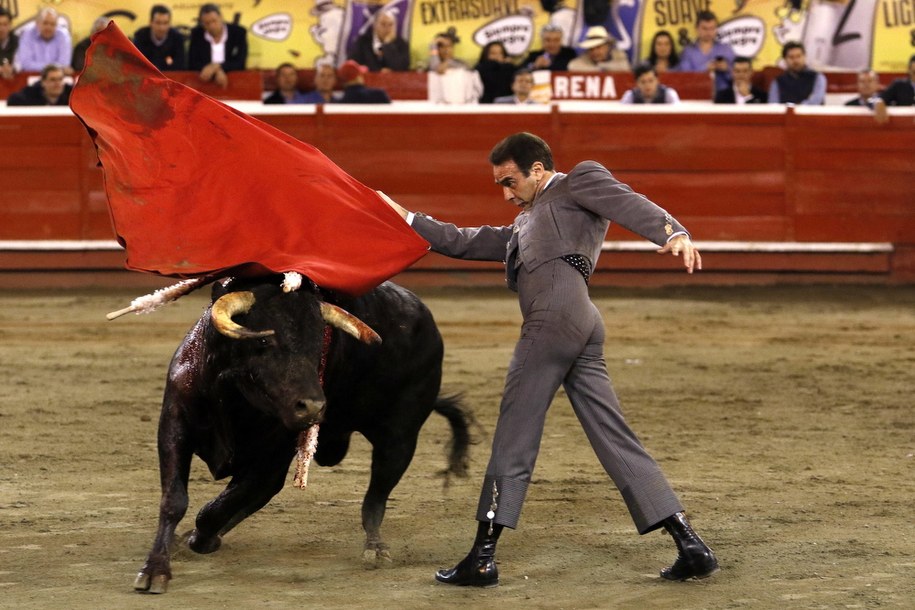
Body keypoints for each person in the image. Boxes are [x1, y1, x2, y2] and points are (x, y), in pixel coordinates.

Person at [376, 132, 716, 587]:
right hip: (578, 322)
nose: (506, 194)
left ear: (537, 170)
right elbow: (463, 240)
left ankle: (482, 557)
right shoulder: (526, 222)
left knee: (516, 428)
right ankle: (690, 545)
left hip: (553, 318)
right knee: (612, 434)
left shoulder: (578, 181)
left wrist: (672, 231)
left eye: (510, 181)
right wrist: (405, 217)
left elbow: (628, 201)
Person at [188, 3, 248, 87]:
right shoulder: (197, 34)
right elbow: (192, 63)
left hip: (234, 82)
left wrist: (217, 67)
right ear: (202, 23)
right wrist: (216, 71)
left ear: (221, 17)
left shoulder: (238, 32)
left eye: (214, 21)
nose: (211, 26)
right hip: (205, 84)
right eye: (207, 23)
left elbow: (240, 62)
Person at [677, 11, 734, 91]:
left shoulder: (726, 49)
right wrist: (705, 69)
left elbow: (740, 76)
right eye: (705, 28)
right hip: (696, 93)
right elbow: (685, 78)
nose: (708, 32)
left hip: (724, 94)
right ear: (696, 29)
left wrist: (727, 69)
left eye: (712, 28)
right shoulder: (688, 52)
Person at [427, 30, 482, 104]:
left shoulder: (462, 63)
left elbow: (469, 71)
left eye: (449, 46)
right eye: (442, 46)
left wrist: (448, 62)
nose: (446, 50)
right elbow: (435, 69)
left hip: (462, 104)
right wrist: (433, 45)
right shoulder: (430, 64)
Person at [14, 7, 72, 74]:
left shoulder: (63, 35)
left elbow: (64, 64)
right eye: (45, 23)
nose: (48, 27)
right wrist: (54, 67)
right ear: (37, 23)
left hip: (56, 77)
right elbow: (25, 64)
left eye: (52, 24)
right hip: (32, 75)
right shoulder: (27, 34)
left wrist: (47, 68)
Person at [133, 4, 187, 72]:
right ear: (150, 22)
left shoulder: (177, 38)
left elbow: (180, 66)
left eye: (165, 23)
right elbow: (136, 64)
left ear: (170, 24)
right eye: (158, 23)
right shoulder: (141, 36)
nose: (162, 28)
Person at [6, 63, 71, 106]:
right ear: (43, 82)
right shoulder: (32, 93)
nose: (58, 83)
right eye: (53, 80)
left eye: (60, 79)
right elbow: (12, 100)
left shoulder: (70, 93)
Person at [0, 8, 19, 80]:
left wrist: (13, 68)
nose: (1, 29)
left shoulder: (19, 42)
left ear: (10, 25)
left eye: (5, 24)